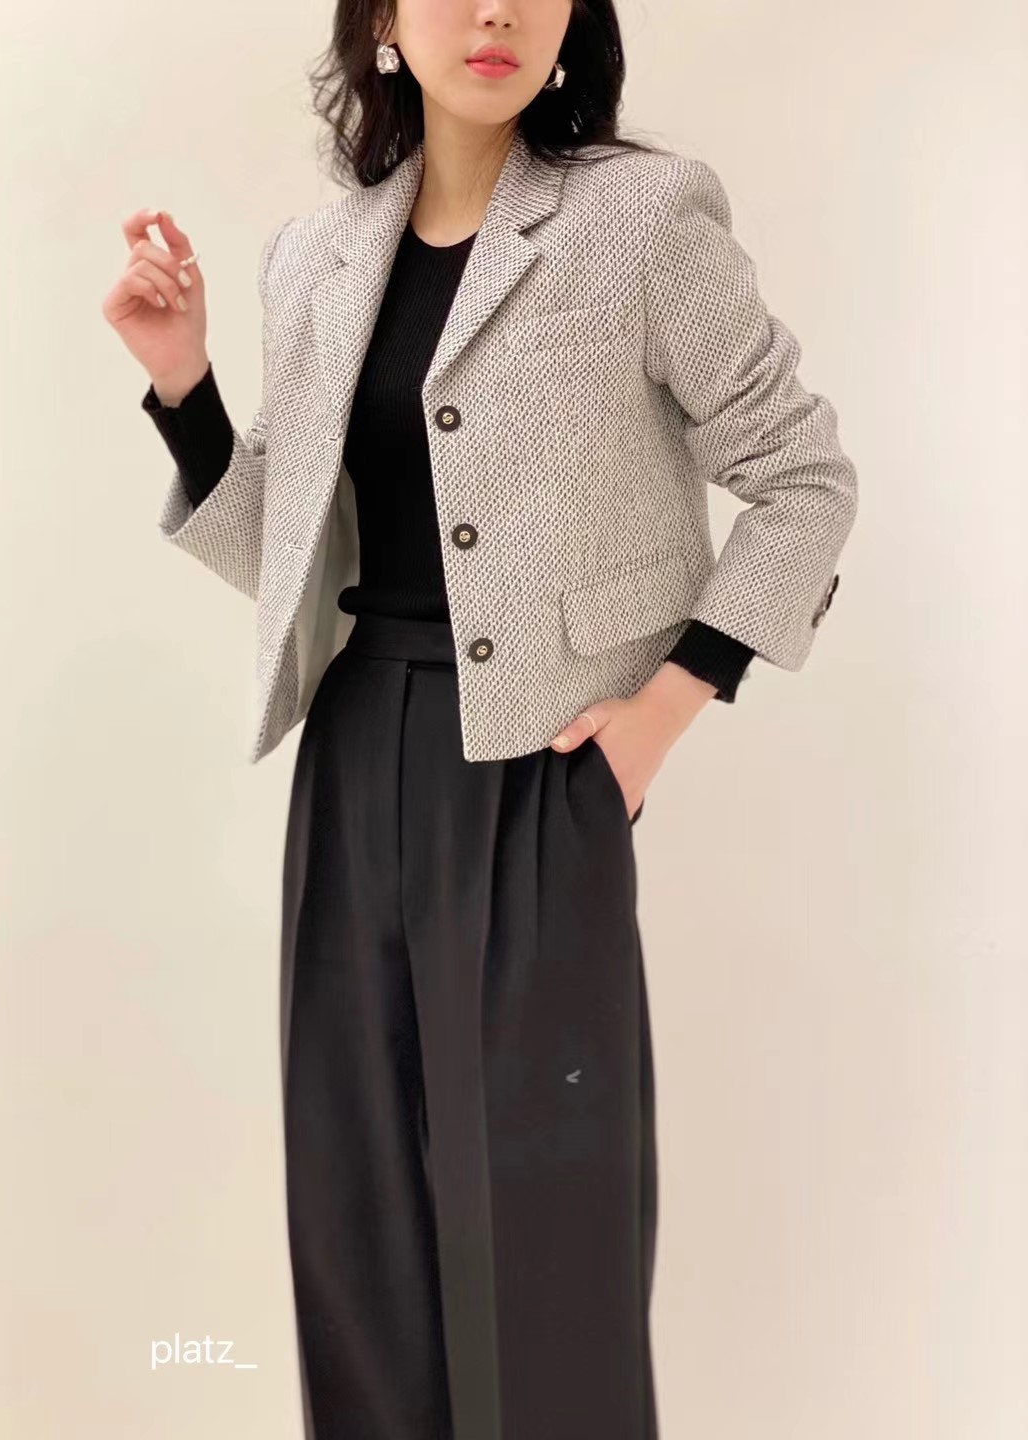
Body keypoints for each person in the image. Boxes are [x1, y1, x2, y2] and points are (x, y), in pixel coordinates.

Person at [102, 1, 857, 1435]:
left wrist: (664, 710)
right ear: (385, 23)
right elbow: (294, 556)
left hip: (541, 774)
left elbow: (804, 478)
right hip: (352, 761)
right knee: (358, 1227)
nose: (496, 8)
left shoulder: (639, 218)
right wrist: (184, 386)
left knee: (547, 1243)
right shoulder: (314, 255)